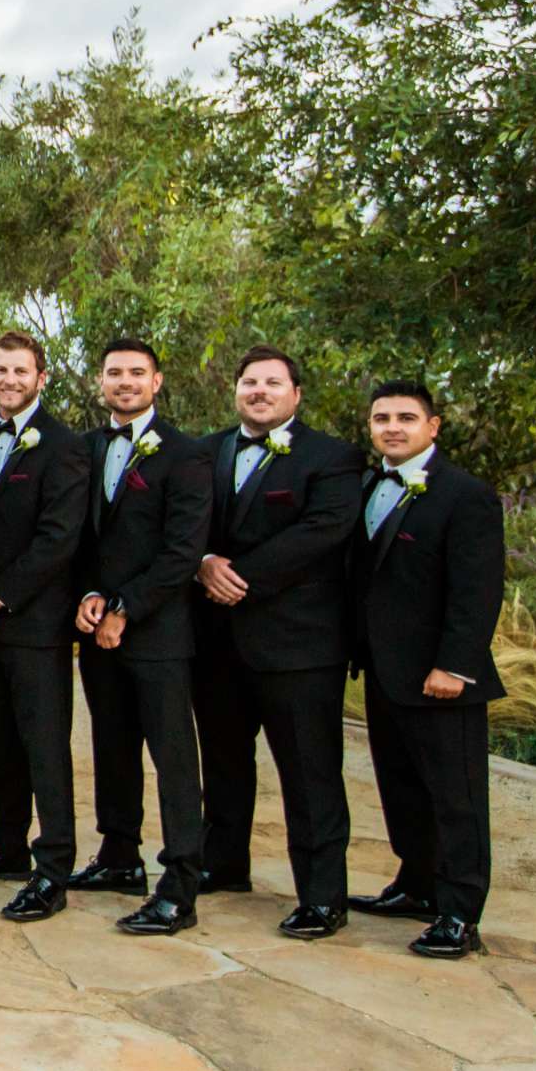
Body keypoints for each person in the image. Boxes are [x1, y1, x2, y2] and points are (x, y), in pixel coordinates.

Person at [194, 346, 366, 939]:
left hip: (299, 647)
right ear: (235, 389)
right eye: (249, 382)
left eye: (272, 382)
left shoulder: (334, 457)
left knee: (310, 773)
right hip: (216, 642)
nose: (259, 391)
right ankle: (223, 865)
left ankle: (323, 898)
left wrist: (236, 577)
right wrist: (202, 561)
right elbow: (182, 520)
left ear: (296, 393)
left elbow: (324, 531)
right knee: (221, 763)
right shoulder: (205, 450)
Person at [347, 379, 506, 959]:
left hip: (441, 679)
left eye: (406, 417)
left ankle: (461, 913)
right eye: (382, 417)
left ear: (432, 426)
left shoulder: (466, 495)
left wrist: (455, 666)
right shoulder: (368, 485)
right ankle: (417, 885)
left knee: (456, 798)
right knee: (403, 789)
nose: (393, 426)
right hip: (385, 673)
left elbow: (478, 589)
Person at [70, 337, 212, 935]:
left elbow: (183, 552)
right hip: (97, 627)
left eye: (136, 373)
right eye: (113, 373)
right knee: (112, 746)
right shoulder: (84, 449)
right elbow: (76, 538)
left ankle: (179, 885)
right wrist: (87, 599)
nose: (124, 382)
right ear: (100, 382)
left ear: (157, 382)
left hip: (158, 633)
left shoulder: (186, 455)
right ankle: (118, 856)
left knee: (173, 759)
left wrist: (125, 609)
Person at [0, 331, 89, 923]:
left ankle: (52, 867)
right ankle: (6, 845)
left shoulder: (64, 446)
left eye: (20, 370)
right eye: (1, 369)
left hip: (35, 622)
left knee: (44, 745)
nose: (9, 379)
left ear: (42, 378)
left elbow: (58, 539)